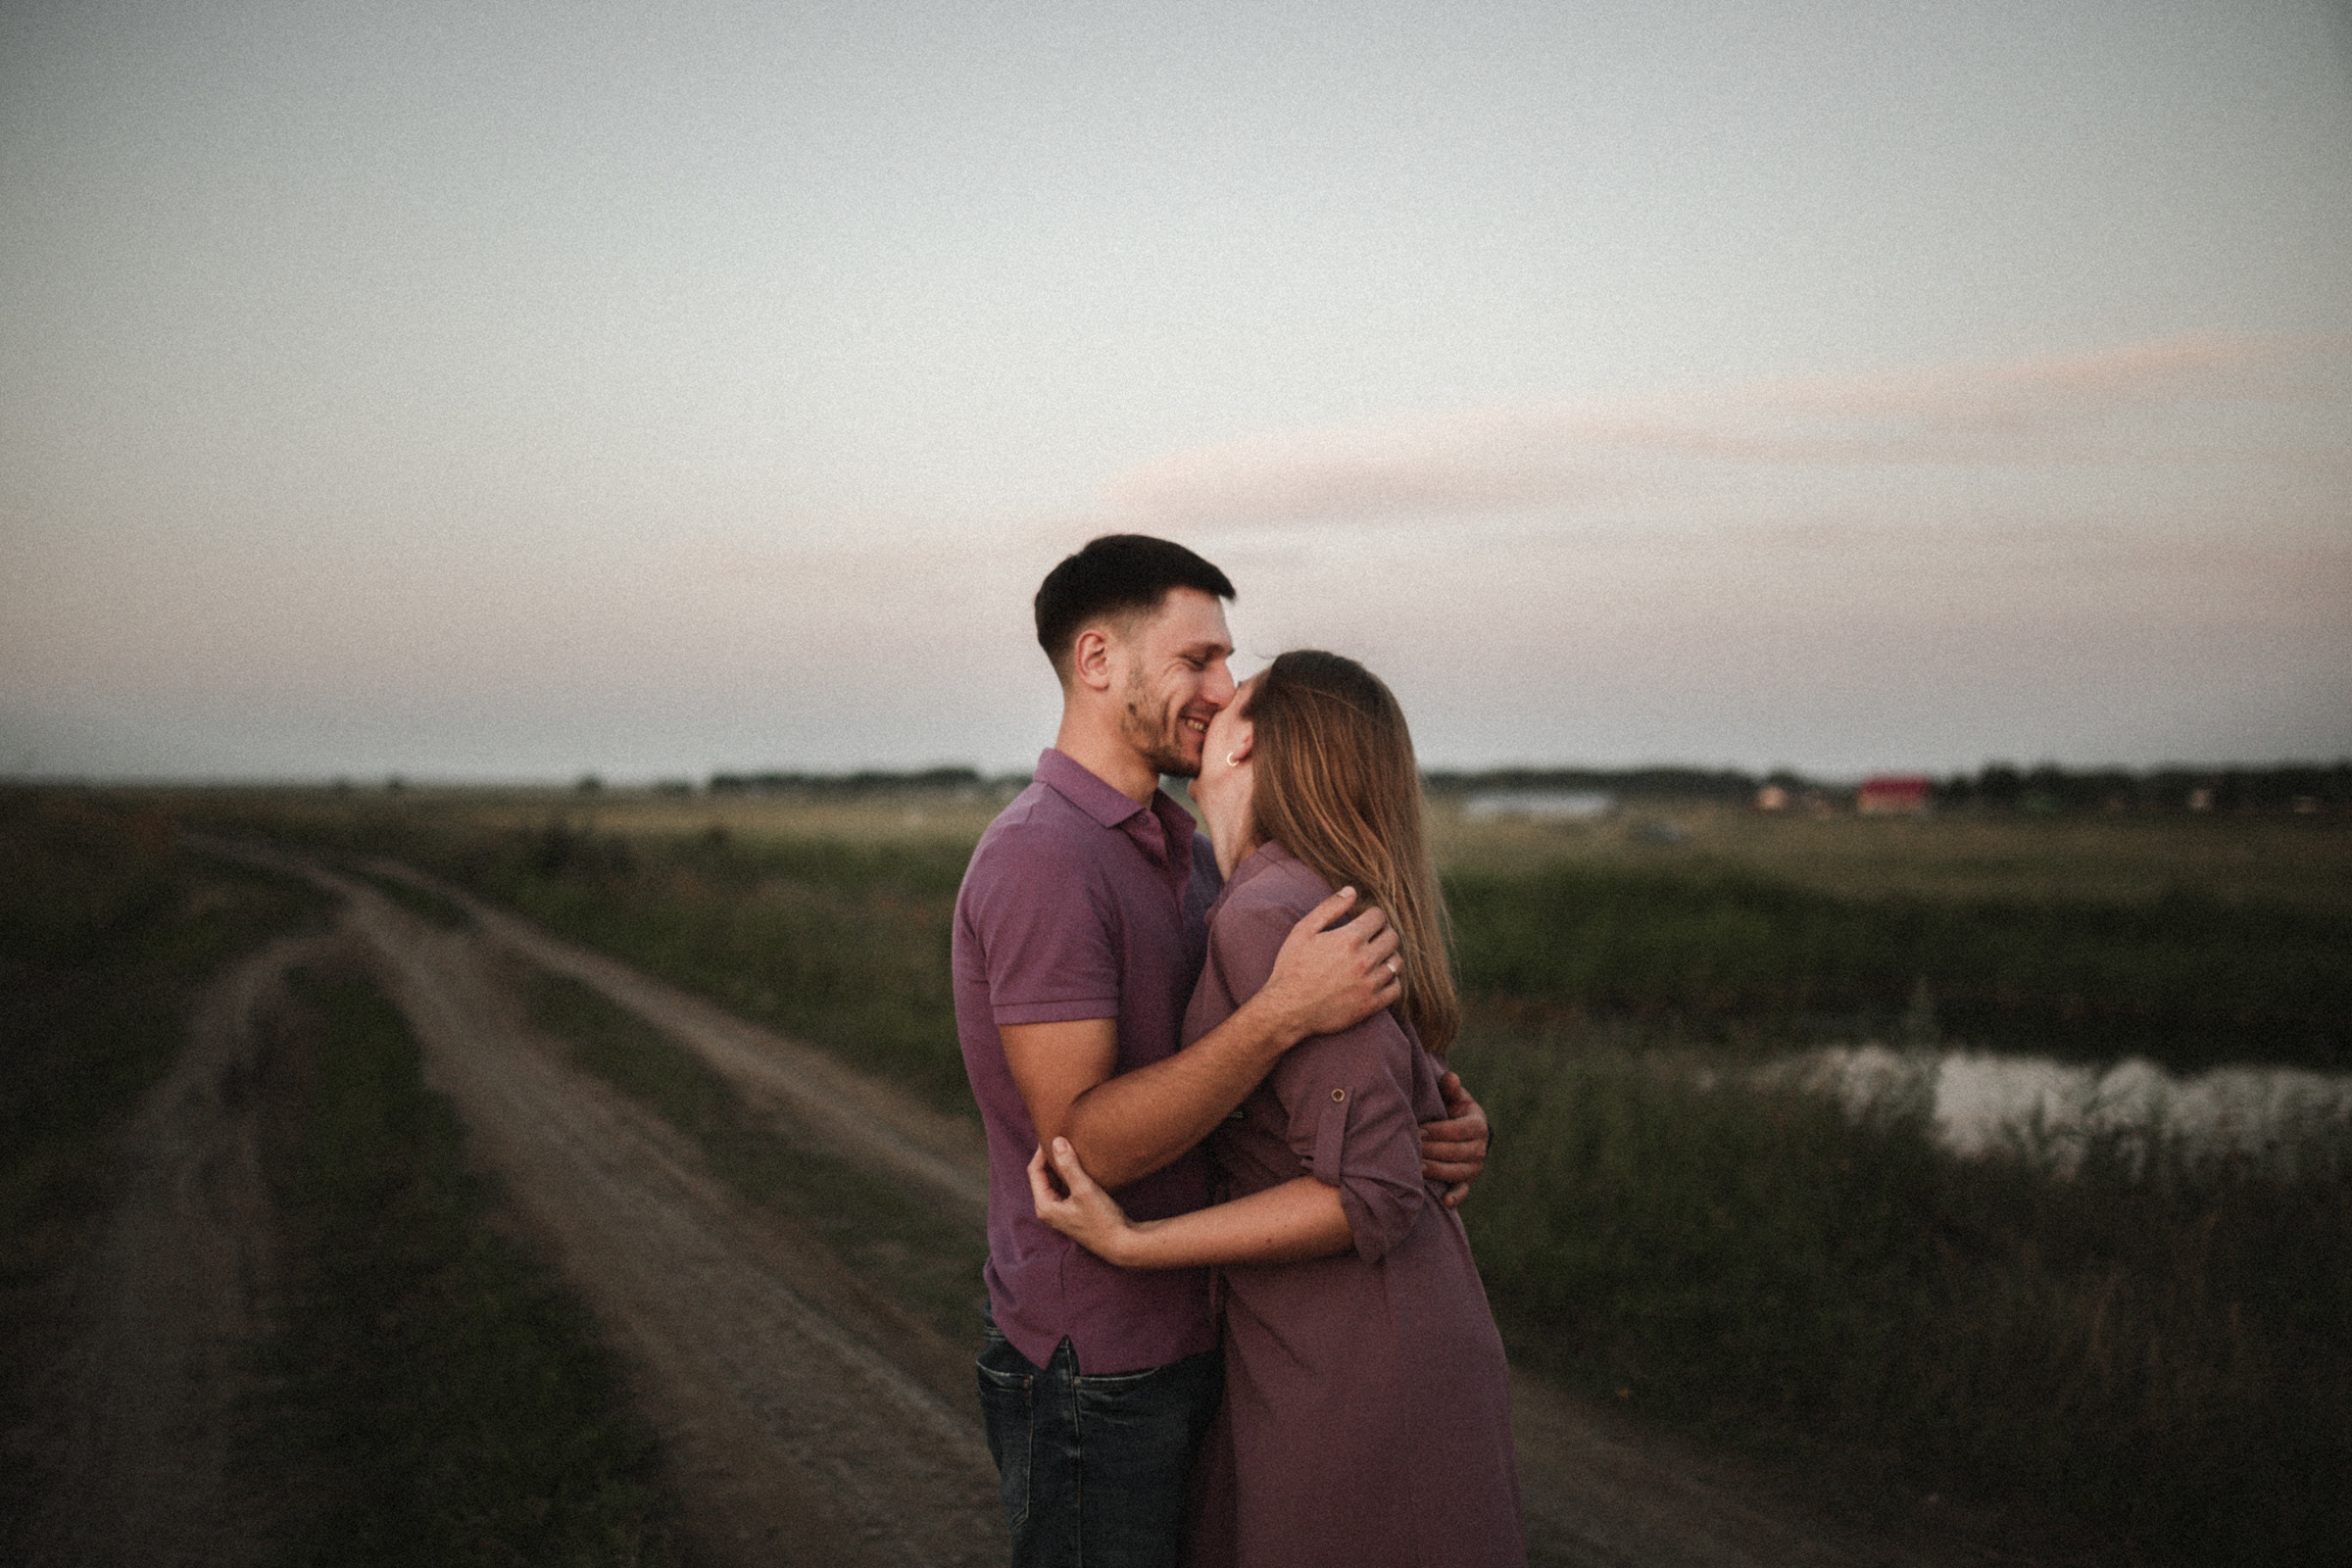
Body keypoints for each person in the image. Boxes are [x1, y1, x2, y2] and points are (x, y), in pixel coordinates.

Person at [953, 537, 1492, 1568]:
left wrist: (1444, 1117)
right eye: (1198, 658)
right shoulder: (1041, 858)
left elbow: (1309, 1082)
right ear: (1098, 659)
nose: (1224, 686)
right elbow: (1084, 1144)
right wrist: (1279, 1015)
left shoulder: (1191, 855)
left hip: (1215, 1334)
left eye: (1227, 662)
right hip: (1097, 1359)